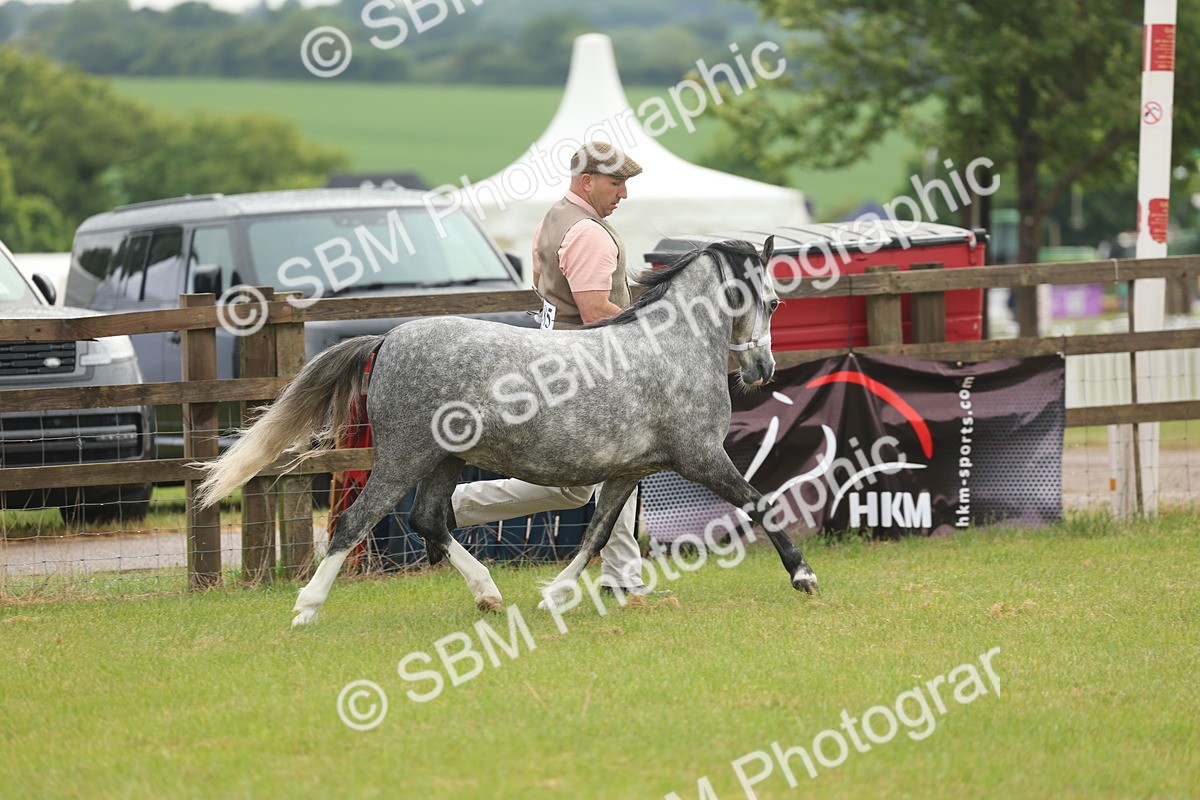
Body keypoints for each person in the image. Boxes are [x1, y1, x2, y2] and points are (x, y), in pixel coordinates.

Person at [448, 141, 655, 594]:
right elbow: (596, 312)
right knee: (593, 479)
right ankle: (457, 505)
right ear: (588, 181)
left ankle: (623, 578)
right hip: (586, 371)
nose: (623, 195)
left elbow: (544, 291)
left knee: (603, 478)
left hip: (557, 361)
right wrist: (650, 334)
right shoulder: (590, 233)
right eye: (616, 184)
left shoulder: (556, 217)